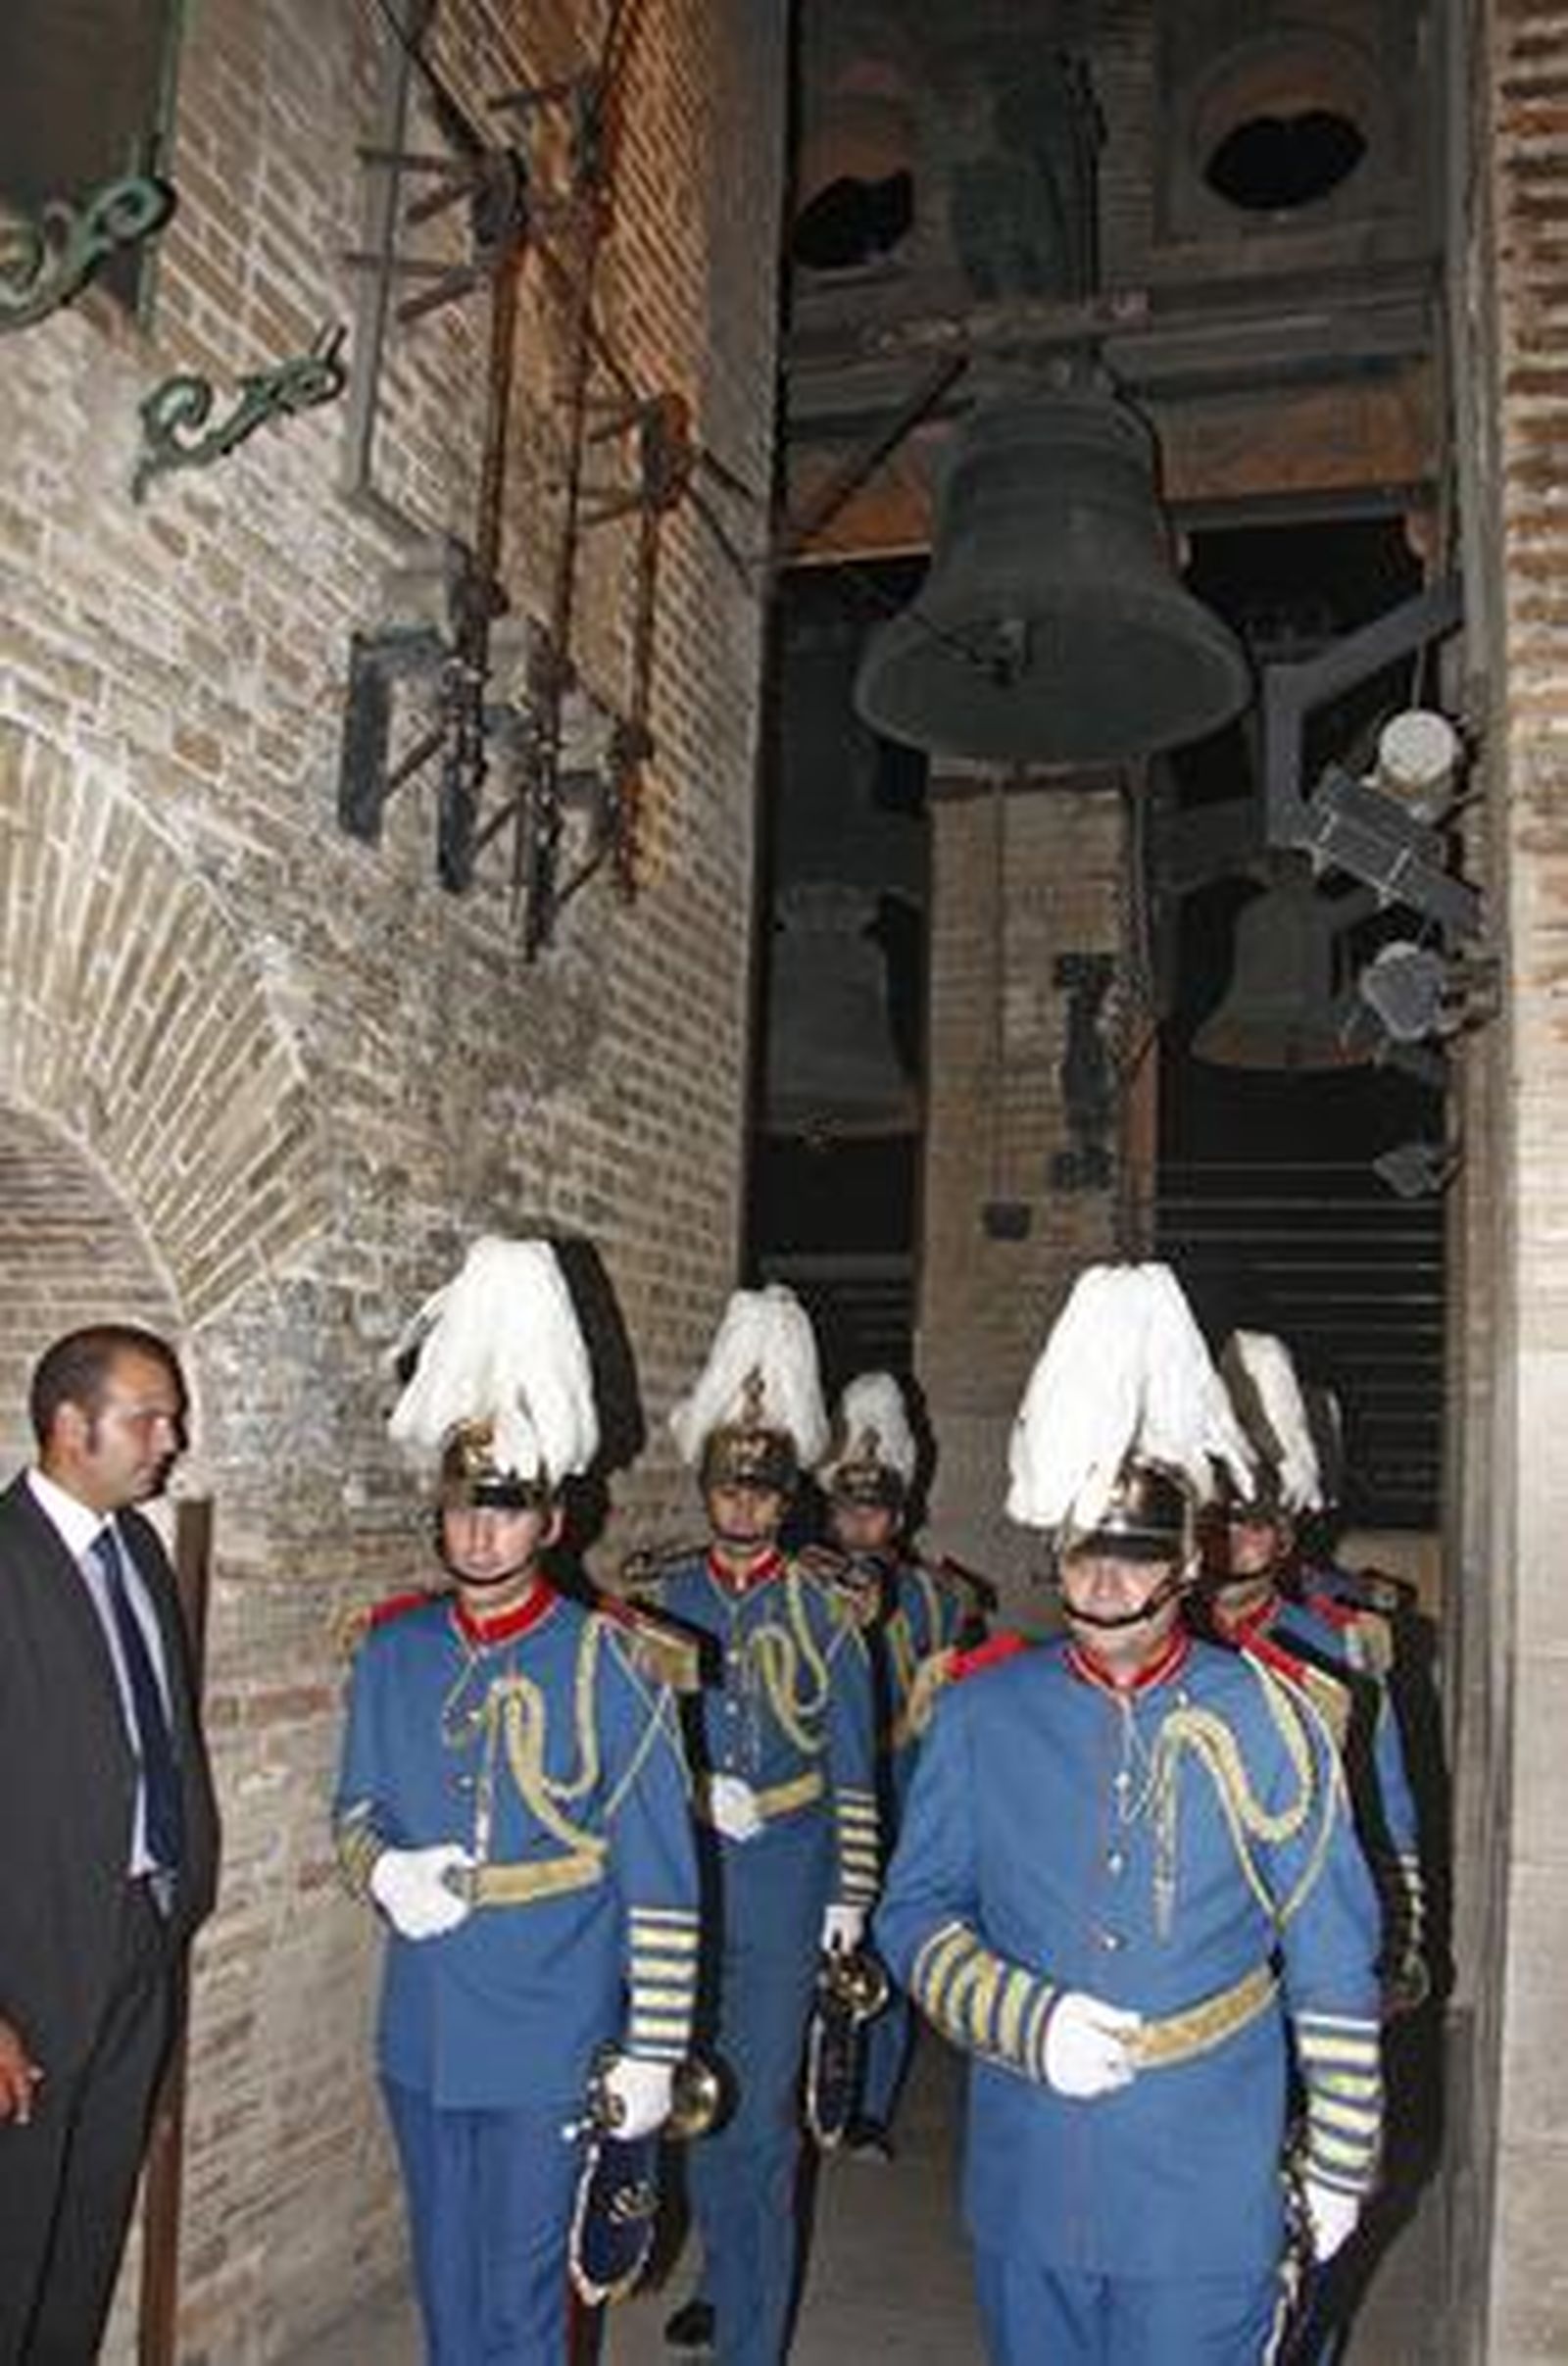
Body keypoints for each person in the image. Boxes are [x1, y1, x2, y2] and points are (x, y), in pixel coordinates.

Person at [876, 1262, 1385, 2366]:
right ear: (1055, 1549)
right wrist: (1024, 2019)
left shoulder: (1274, 1713)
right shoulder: (979, 1708)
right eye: (1089, 1550)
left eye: (1140, 1551)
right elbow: (912, 1911)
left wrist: (1342, 2155)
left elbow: (1333, 1952)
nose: (1109, 1581)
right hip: (1027, 2173)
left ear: (1189, 1556)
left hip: (1205, 2185)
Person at [333, 1237, 701, 2365]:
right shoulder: (391, 1654)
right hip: (425, 2025)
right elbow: (353, 1813)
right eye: (461, 1508)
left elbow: (663, 1884)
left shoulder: (613, 1662)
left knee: (529, 2301)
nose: (478, 1531)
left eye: (504, 1509)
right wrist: (383, 1870)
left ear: (552, 1520)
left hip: (554, 2026)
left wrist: (653, 2049)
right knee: (447, 2292)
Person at [628, 1285, 879, 2365]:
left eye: (762, 1492)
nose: (743, 1507)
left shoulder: (828, 1605)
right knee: (691, 2093)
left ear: (787, 1500)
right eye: (728, 1489)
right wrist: (688, 1795)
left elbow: (855, 1761)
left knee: (761, 2117)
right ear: (706, 1491)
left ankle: (752, 2335)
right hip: (683, 1874)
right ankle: (726, 2279)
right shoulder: (659, 1596)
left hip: (786, 1873)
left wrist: (848, 1890)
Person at [0, 1323, 220, 2363]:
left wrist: (177, 1898)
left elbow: (160, 1739)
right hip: (27, 1968)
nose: (171, 1438)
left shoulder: (135, 1546)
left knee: (86, 2232)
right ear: (69, 1425)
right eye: (149, 1416)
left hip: (137, 1936)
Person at [1198, 1330, 1427, 2013]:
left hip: (1300, 1925)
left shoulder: (1338, 1652)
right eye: (1220, 1520)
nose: (1236, 1542)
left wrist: (1400, 1933)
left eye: (1256, 1523)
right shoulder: (1153, 1644)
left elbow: (1385, 1804)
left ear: (1286, 1534)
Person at [819, 1370, 966, 2162]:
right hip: (822, 1797)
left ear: (898, 1515)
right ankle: (821, 2096)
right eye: (846, 1507)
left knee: (889, 1953)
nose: (858, 1523)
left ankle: (872, 2106)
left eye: (872, 1509)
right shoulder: (806, 1585)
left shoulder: (938, 1600)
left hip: (905, 1795)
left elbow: (942, 1721)